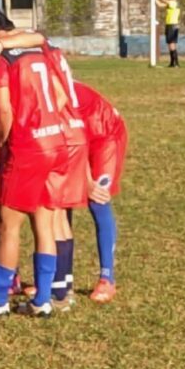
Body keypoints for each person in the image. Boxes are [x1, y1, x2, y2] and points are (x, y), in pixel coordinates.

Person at [0, 5, 86, 318]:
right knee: (44, 222)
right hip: (56, 141)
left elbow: (4, 110)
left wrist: (5, 142)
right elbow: (61, 97)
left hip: (28, 147)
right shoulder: (36, 52)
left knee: (8, 226)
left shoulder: (0, 60)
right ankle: (43, 300)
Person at [71, 80, 127, 303]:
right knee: (59, 200)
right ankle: (59, 278)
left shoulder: (58, 92)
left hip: (105, 136)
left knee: (98, 199)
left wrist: (88, 181)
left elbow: (77, 141)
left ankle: (107, 278)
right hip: (77, 136)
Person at [154, 0, 181, 67]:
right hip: (169, 25)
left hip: (172, 25)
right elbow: (159, 4)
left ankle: (176, 63)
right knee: (170, 44)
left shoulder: (174, 3)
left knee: (172, 43)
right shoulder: (170, 4)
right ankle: (172, 62)